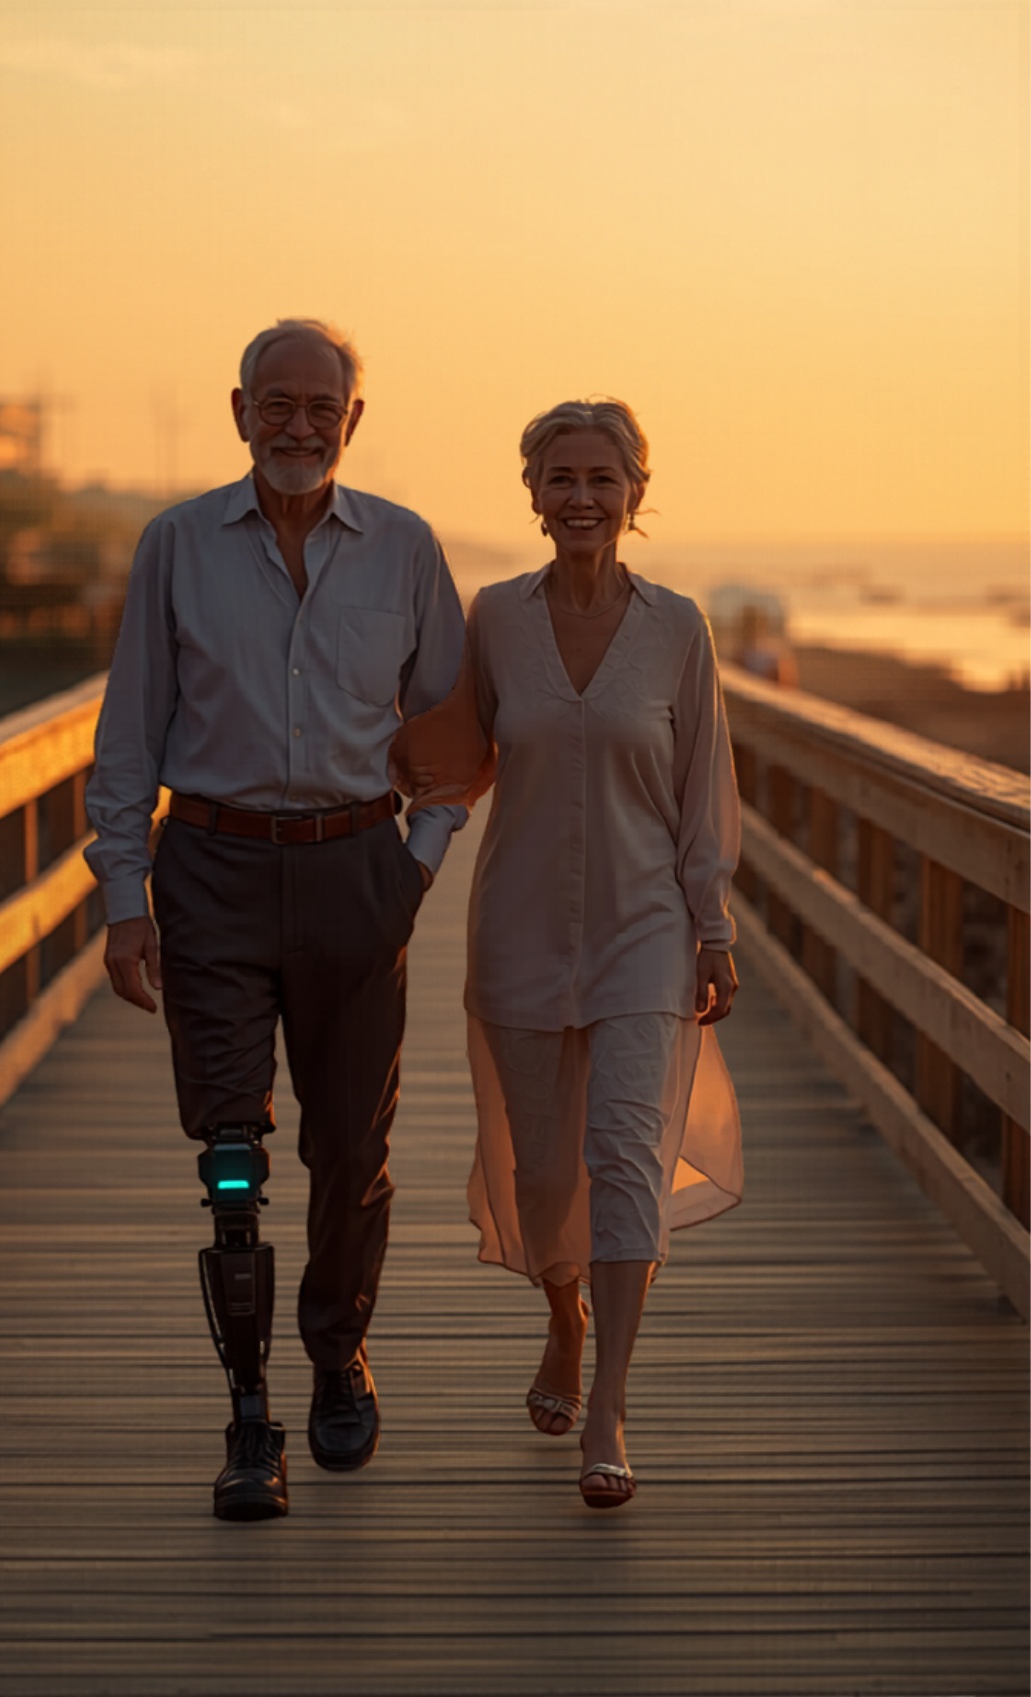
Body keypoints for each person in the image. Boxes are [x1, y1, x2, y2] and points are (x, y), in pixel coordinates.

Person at [84, 318, 465, 1521]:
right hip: (212, 871)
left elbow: (454, 736)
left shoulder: (405, 547)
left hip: (357, 873)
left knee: (352, 1151)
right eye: (277, 403)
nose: (299, 425)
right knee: (232, 1156)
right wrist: (125, 900)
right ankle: (250, 1414)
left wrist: (415, 867)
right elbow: (128, 734)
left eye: (322, 407)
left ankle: (338, 1350)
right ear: (239, 410)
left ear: (355, 419)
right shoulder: (176, 543)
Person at [390, 399, 743, 1510]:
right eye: (562, 478)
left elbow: (705, 787)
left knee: (627, 1161)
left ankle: (610, 1407)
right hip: (521, 926)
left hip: (647, 928)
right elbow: (454, 752)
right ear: (533, 495)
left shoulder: (679, 629)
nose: (581, 497)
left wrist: (713, 924)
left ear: (637, 494)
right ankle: (563, 1315)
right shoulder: (494, 617)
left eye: (602, 479)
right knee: (543, 1174)